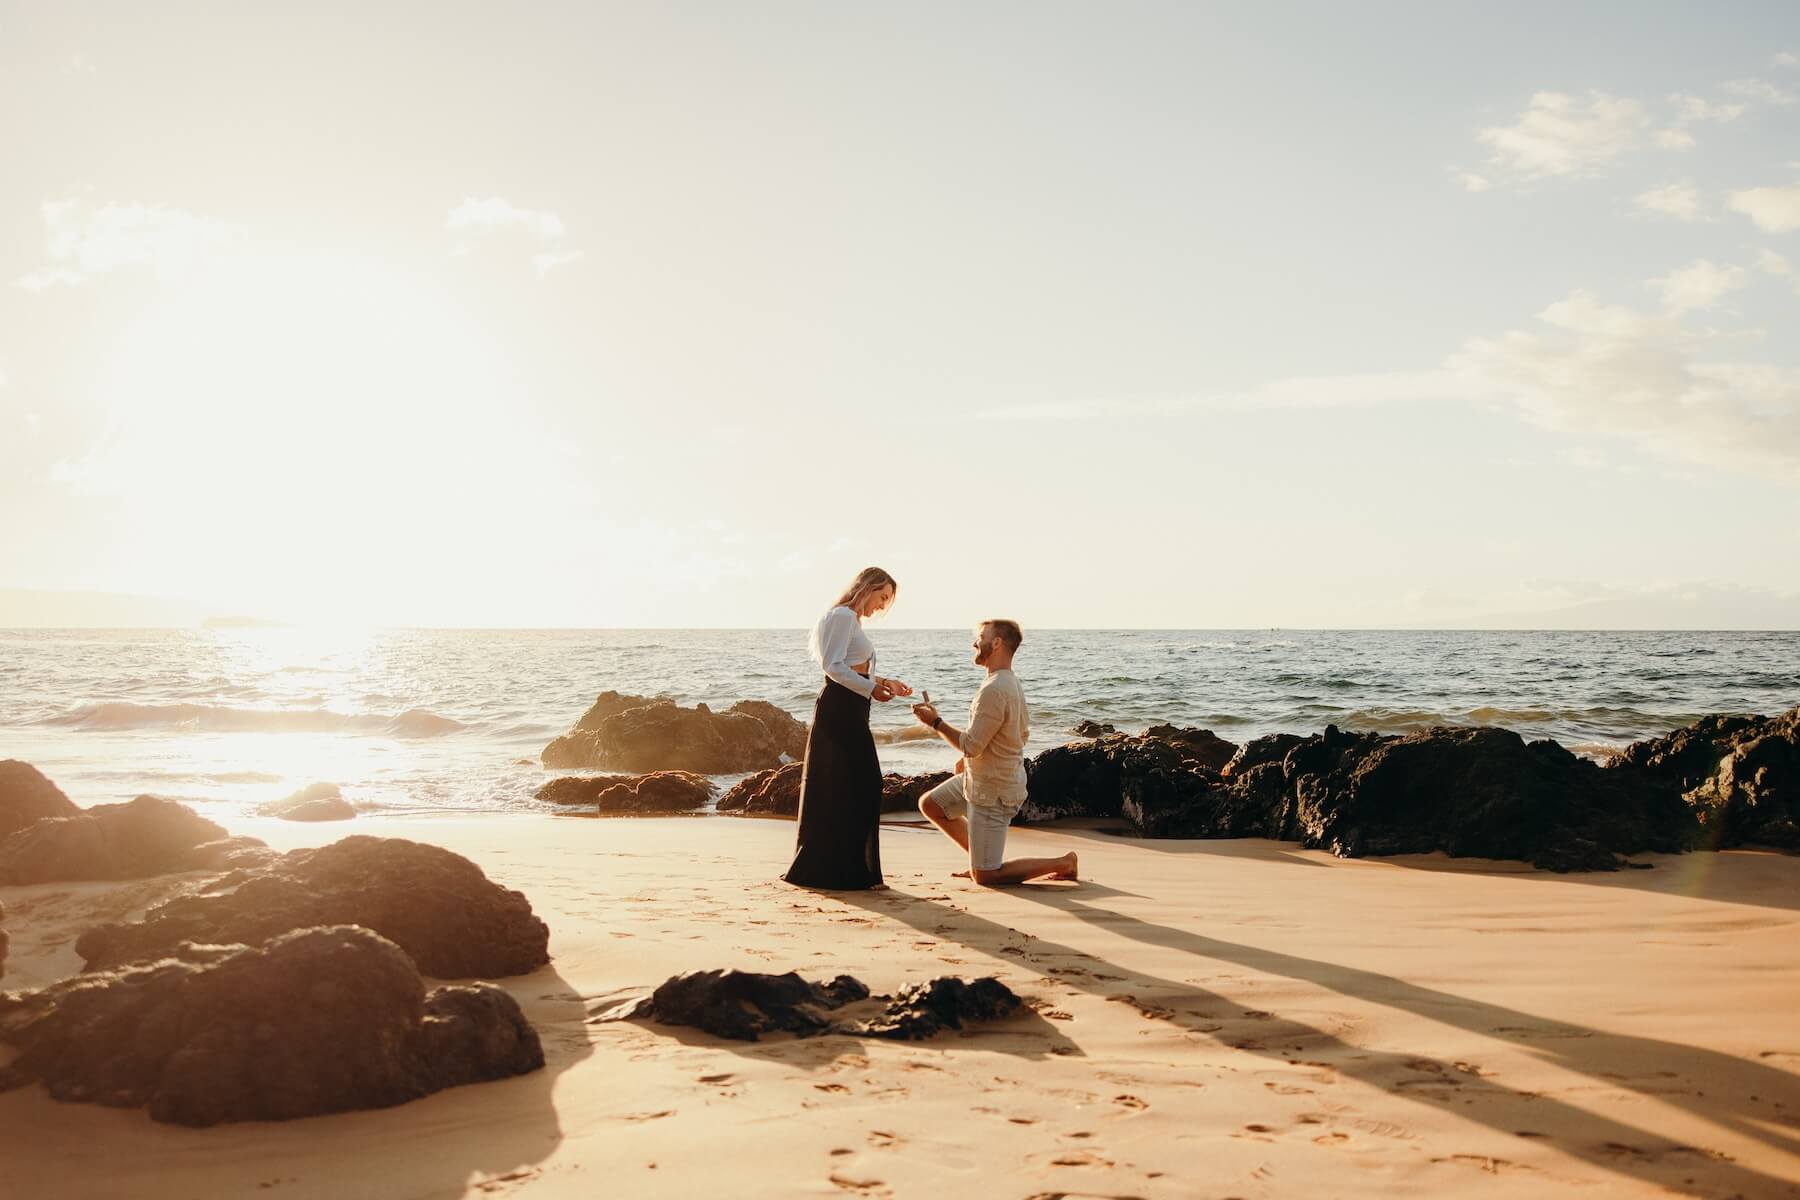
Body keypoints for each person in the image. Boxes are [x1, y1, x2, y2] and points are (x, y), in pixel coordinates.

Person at [911, 620, 1077, 886]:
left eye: (980, 637)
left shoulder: (995, 689)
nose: (975, 643)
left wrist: (935, 722)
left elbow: (972, 745)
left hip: (994, 790)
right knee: (932, 804)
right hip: (982, 778)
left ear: (997, 643)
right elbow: (1016, 736)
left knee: (986, 877)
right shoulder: (1007, 683)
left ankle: (1064, 862)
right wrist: (966, 760)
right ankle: (979, 859)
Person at [782, 567, 912, 890]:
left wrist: (884, 682)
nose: (882, 606)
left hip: (851, 709)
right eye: (882, 597)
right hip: (840, 709)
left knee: (851, 784)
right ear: (867, 587)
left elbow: (852, 669)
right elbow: (833, 666)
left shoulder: (851, 621)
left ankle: (850, 869)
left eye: (887, 601)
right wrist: (871, 689)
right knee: (861, 783)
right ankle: (844, 870)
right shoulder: (841, 616)